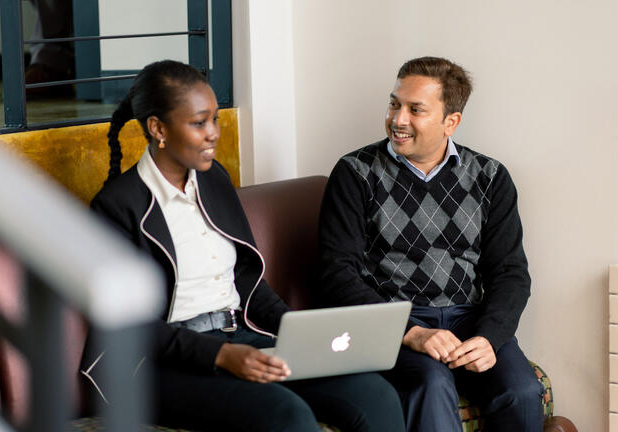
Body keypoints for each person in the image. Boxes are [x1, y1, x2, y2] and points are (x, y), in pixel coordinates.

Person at [84, 60, 405, 432]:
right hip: (157, 365)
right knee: (287, 415)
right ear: (158, 128)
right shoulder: (116, 205)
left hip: (240, 334)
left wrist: (301, 332)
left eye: (216, 120)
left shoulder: (213, 179)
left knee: (375, 395)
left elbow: (246, 282)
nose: (213, 134)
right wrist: (222, 355)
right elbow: (131, 326)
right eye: (199, 122)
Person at [315, 57, 543, 432]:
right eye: (394, 104)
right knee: (431, 383)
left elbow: (510, 272)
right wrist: (411, 331)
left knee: (521, 391)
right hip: (393, 323)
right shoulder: (355, 173)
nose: (397, 119)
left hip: (470, 320)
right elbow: (335, 272)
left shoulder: (490, 177)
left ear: (450, 121)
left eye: (415, 109)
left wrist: (489, 337)